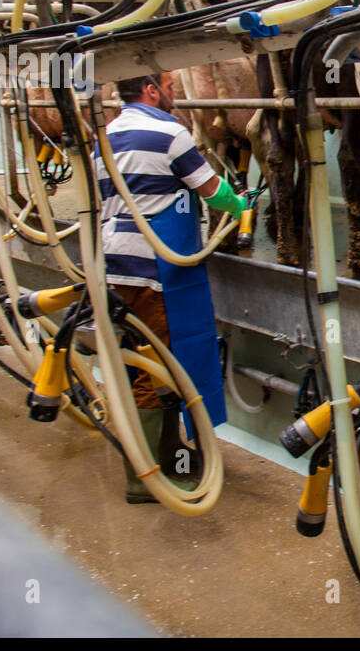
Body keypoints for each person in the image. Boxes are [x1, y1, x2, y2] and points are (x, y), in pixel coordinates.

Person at [92, 74, 245, 504]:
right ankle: (144, 477)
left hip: (114, 267)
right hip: (153, 270)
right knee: (155, 371)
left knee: (133, 365)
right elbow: (211, 190)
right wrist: (239, 204)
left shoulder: (105, 135)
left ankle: (169, 453)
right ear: (151, 91)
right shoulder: (170, 133)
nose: (175, 90)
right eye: (169, 82)